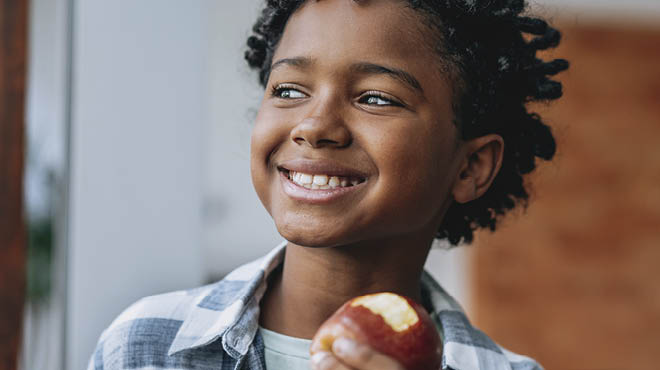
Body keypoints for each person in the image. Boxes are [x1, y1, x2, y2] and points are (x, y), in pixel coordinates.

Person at [88, 0, 568, 369]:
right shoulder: (146, 345)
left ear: (470, 167)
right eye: (290, 90)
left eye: (376, 98)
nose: (314, 126)